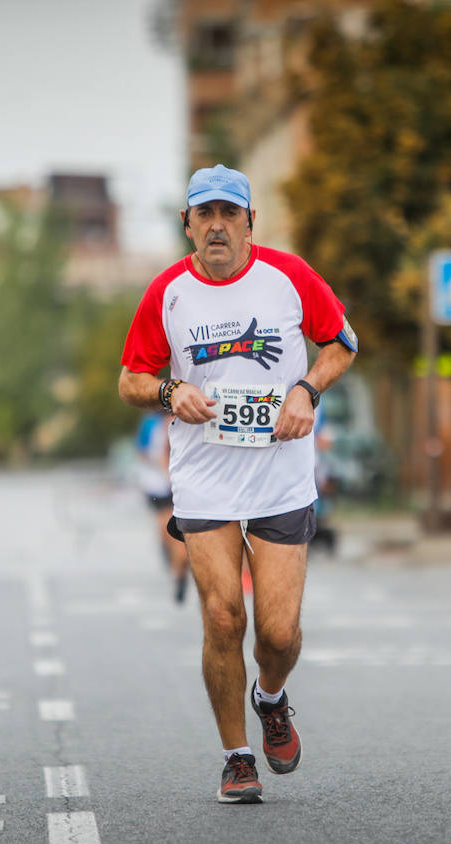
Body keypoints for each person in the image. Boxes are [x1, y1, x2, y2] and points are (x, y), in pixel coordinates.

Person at [118, 164, 357, 803]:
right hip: (204, 480)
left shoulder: (289, 276)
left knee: (277, 634)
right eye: (205, 215)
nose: (217, 226)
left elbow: (342, 344)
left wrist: (307, 390)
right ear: (187, 224)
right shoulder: (166, 293)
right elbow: (130, 379)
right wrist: (171, 390)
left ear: (252, 220)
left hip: (281, 476)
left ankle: (271, 697)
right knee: (223, 616)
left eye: (230, 213)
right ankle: (236, 755)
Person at [135, 411, 190, 603]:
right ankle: (178, 568)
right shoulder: (151, 423)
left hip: (169, 484)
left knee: (170, 530)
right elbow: (145, 452)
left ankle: (179, 570)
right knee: (169, 529)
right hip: (159, 484)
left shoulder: (159, 421)